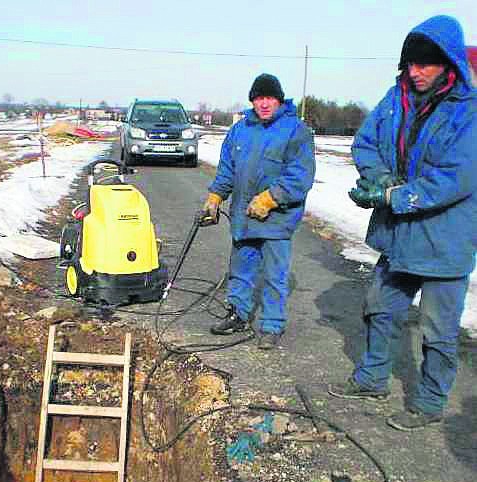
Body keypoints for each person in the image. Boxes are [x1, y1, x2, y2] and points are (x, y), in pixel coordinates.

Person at [328, 15, 477, 431]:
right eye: (410, 63)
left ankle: (429, 402)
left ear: (448, 63)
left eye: (426, 64)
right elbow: (366, 142)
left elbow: (455, 178)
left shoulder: (469, 113)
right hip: (400, 237)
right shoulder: (396, 98)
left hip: (446, 239)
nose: (416, 72)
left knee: (437, 330)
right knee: (379, 307)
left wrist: (395, 195)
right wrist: (377, 177)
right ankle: (373, 378)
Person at [202, 73, 315, 350]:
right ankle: (238, 315)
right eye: (259, 98)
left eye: (269, 98)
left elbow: (300, 175)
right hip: (244, 216)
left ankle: (271, 325)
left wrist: (271, 198)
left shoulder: (295, 130)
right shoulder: (239, 131)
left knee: (275, 275)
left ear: (279, 100)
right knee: (240, 270)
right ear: (252, 101)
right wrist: (216, 196)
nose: (264, 104)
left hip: (277, 219)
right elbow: (227, 169)